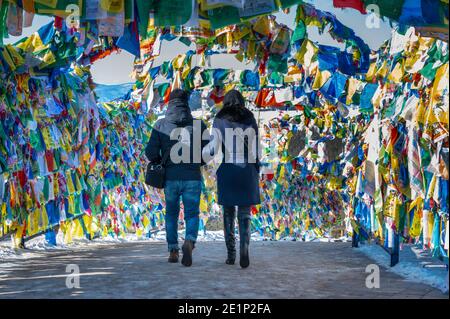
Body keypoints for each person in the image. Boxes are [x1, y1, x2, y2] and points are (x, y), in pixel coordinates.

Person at [146, 89, 208, 267]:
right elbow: (209, 150)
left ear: (169, 103)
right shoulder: (198, 124)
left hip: (170, 177)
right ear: (187, 103)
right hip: (192, 177)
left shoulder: (160, 125)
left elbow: (150, 152)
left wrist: (160, 161)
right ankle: (189, 241)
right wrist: (198, 162)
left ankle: (173, 250)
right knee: (191, 213)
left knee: (171, 214)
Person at [205, 89, 261, 268]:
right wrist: (256, 168)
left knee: (228, 214)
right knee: (245, 214)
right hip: (247, 170)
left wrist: (200, 158)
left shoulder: (220, 118)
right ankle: (244, 247)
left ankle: (231, 254)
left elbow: (213, 148)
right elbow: (256, 147)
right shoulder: (250, 118)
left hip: (228, 169)